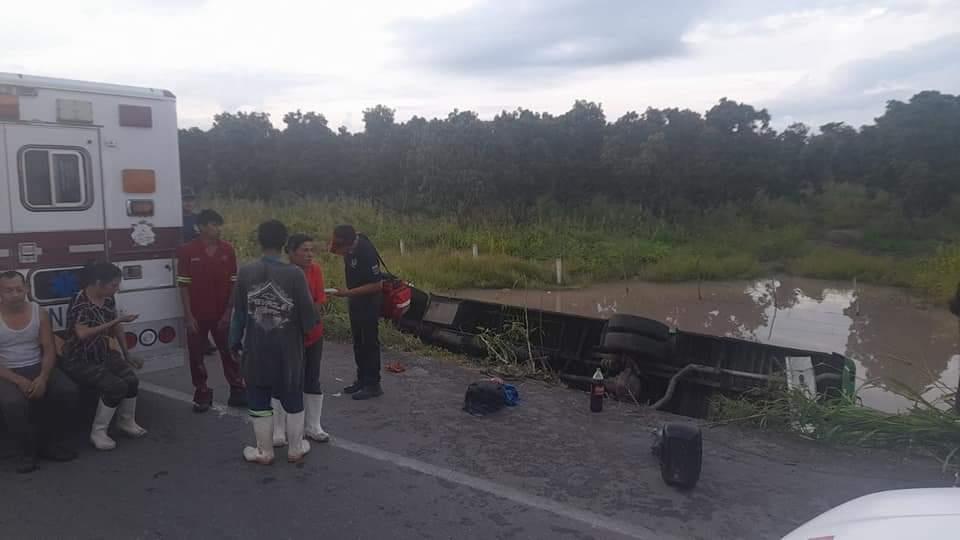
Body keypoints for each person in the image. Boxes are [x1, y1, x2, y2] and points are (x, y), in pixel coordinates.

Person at [230, 220, 318, 465]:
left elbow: (237, 314)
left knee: (258, 395)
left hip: (256, 348)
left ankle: (264, 451)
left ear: (259, 240)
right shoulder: (295, 274)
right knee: (292, 395)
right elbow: (309, 319)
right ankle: (295, 449)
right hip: (288, 351)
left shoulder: (246, 272)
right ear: (284, 244)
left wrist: (234, 342)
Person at [61, 262, 146, 451]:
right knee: (115, 386)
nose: (117, 289)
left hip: (103, 352)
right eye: (114, 285)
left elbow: (116, 327)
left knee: (131, 380)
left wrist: (126, 353)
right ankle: (98, 432)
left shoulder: (108, 299)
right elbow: (82, 334)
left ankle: (126, 421)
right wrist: (117, 320)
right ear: (99, 283)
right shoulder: (80, 302)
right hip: (79, 358)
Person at [0, 271, 78, 473]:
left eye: (19, 289)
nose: (15, 294)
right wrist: (18, 380)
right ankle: (27, 453)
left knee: (67, 391)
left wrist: (43, 378)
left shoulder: (39, 312)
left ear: (27, 289)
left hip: (37, 365)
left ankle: (50, 444)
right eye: (9, 290)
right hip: (7, 371)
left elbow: (49, 348)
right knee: (13, 403)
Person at [176, 209, 246, 413]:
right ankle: (202, 393)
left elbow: (234, 282)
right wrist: (188, 317)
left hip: (222, 313)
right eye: (214, 225)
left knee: (230, 351)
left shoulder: (228, 250)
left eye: (219, 225)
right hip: (197, 314)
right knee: (196, 356)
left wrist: (228, 312)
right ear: (202, 227)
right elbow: (183, 285)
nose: (218, 229)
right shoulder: (187, 251)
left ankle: (238, 390)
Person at [272, 234, 330, 447]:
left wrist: (308, 320)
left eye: (311, 250)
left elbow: (320, 299)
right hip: (287, 337)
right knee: (283, 380)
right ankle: (278, 429)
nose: (309, 254)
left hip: (313, 334)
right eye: (304, 250)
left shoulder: (315, 271)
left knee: (312, 379)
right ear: (291, 252)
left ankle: (313, 426)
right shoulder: (280, 273)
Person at [329, 225, 384, 400]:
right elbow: (332, 250)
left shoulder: (366, 251)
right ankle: (362, 379)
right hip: (355, 300)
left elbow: (377, 285)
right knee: (358, 342)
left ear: (350, 243)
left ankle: (373, 384)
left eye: (341, 246)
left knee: (369, 342)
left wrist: (347, 293)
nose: (340, 251)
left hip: (369, 302)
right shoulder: (348, 245)